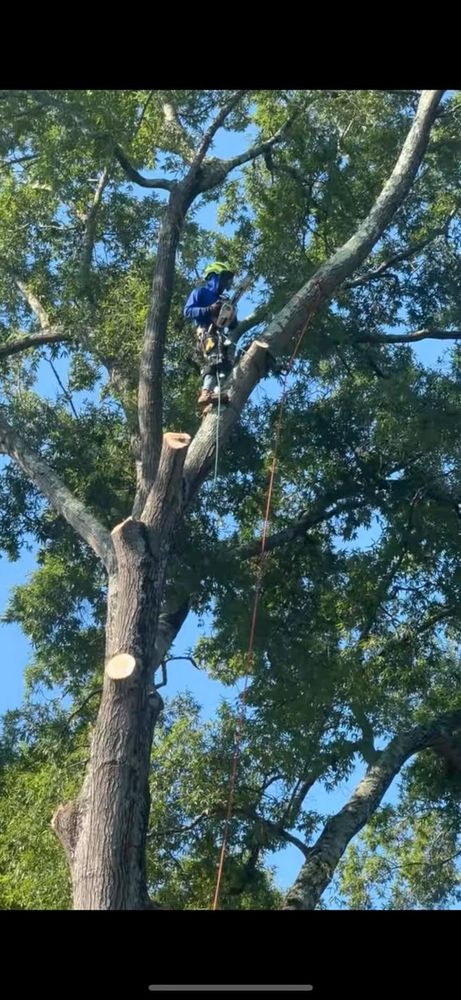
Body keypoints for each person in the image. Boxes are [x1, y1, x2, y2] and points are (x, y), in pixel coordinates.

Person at [183, 261, 239, 411]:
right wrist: (209, 309)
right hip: (205, 332)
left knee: (225, 362)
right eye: (224, 279)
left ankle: (218, 393)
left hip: (221, 335)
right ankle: (206, 392)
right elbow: (188, 311)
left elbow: (233, 325)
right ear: (214, 277)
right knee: (214, 359)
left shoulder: (223, 299)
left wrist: (231, 314)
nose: (225, 284)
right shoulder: (200, 292)